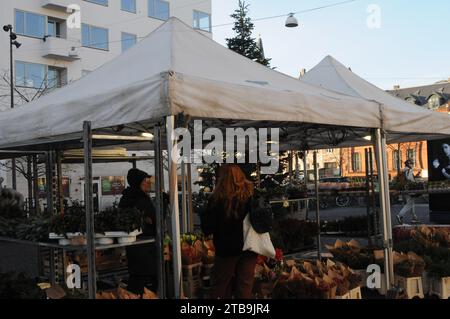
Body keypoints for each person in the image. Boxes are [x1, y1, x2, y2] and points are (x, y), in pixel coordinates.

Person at [200, 164, 257, 299]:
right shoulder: (250, 196)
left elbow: (208, 228)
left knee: (220, 285)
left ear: (222, 179)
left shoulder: (216, 200)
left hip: (226, 250)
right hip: (249, 247)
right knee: (244, 286)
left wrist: (203, 213)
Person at [119, 168, 157, 295]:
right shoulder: (140, 199)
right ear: (138, 182)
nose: (149, 182)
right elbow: (152, 220)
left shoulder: (127, 197)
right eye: (146, 180)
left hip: (135, 245)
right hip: (144, 245)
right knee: (142, 280)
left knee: (137, 277)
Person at [396, 159, 421, 225]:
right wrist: (416, 183)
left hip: (405, 189)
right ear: (409, 164)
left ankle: (414, 218)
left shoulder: (404, 170)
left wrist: (416, 175)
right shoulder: (409, 170)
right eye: (412, 164)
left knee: (411, 203)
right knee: (409, 204)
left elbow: (408, 178)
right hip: (410, 189)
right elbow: (409, 179)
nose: (412, 165)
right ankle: (400, 215)